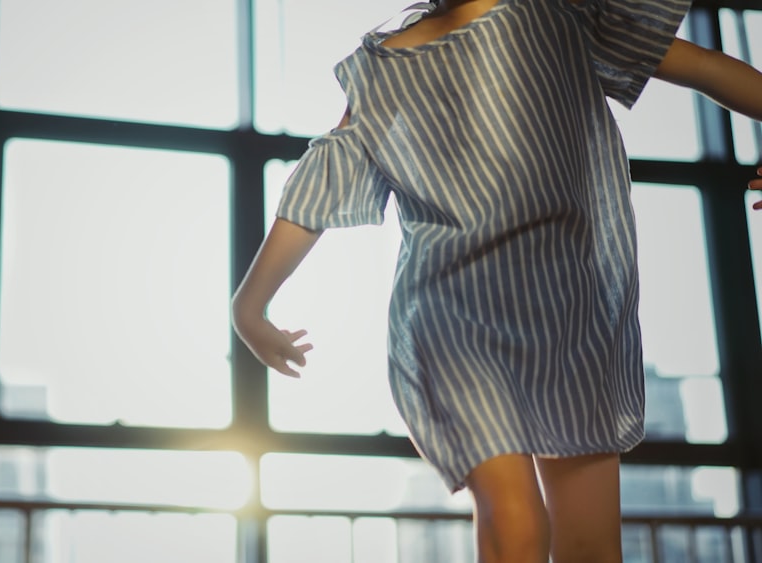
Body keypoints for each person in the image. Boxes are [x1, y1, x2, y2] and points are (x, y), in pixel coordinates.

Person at [231, 1, 762, 562]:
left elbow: (702, 66)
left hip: (573, 312)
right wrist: (250, 304)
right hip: (452, 317)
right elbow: (324, 181)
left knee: (592, 547)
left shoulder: (564, 15)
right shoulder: (382, 67)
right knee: (517, 528)